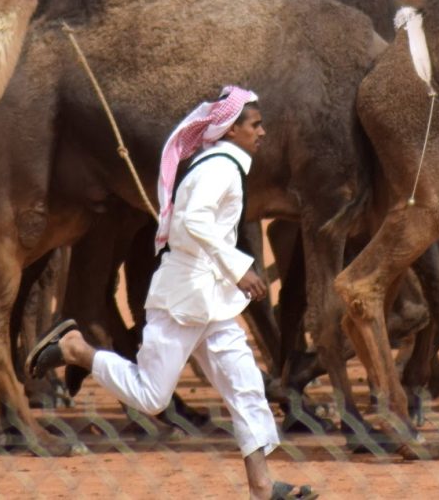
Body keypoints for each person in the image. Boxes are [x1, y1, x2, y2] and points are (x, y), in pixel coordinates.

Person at [26, 87, 317, 500]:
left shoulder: (223, 164)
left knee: (246, 385)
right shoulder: (219, 168)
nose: (263, 132)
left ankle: (262, 487)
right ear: (232, 130)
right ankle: (76, 349)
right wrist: (238, 267)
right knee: (150, 395)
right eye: (255, 125)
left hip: (210, 301)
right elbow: (191, 222)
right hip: (184, 298)